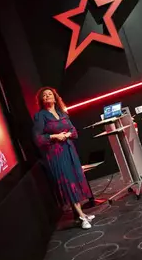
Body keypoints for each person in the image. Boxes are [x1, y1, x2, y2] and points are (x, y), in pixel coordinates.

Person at [32, 87, 95, 229]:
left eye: (50, 94)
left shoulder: (61, 113)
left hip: (69, 149)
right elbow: (38, 138)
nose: (47, 96)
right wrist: (54, 136)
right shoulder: (40, 116)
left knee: (75, 179)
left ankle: (79, 215)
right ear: (42, 100)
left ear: (55, 98)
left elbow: (73, 131)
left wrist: (67, 135)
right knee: (68, 182)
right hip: (55, 153)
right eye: (44, 95)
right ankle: (82, 216)